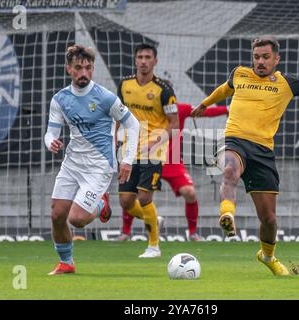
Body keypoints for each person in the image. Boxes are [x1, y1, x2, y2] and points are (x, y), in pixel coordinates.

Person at [192, 33, 299, 275]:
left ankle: (268, 256)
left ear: (276, 59)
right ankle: (227, 214)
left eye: (265, 57)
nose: (259, 62)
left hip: (263, 151)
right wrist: (206, 103)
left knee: (269, 219)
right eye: (256, 57)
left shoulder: (286, 84)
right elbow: (225, 88)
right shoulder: (240, 73)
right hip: (235, 140)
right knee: (229, 170)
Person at [44, 44, 139, 275]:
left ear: (93, 68)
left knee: (76, 219)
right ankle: (66, 263)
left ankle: (101, 203)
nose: (84, 72)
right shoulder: (60, 99)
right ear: (69, 69)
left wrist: (127, 160)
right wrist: (51, 142)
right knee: (57, 214)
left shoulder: (105, 97)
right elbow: (50, 132)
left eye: (88, 68)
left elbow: (133, 124)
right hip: (72, 163)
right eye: (78, 68)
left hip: (99, 166)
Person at [117, 102, 228, 242]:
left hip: (172, 161)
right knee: (131, 196)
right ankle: (126, 232)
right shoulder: (145, 109)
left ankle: (193, 233)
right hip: (149, 158)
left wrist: (226, 109)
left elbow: (204, 111)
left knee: (190, 193)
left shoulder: (179, 109)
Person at [117, 43, 179, 258]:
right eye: (140, 57)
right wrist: (115, 139)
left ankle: (154, 246)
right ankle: (152, 219)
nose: (143, 61)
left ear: (155, 61)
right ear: (135, 60)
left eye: (148, 57)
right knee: (125, 201)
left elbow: (174, 124)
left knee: (144, 198)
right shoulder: (124, 85)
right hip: (128, 150)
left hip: (153, 151)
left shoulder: (164, 90)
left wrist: (155, 143)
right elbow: (119, 114)